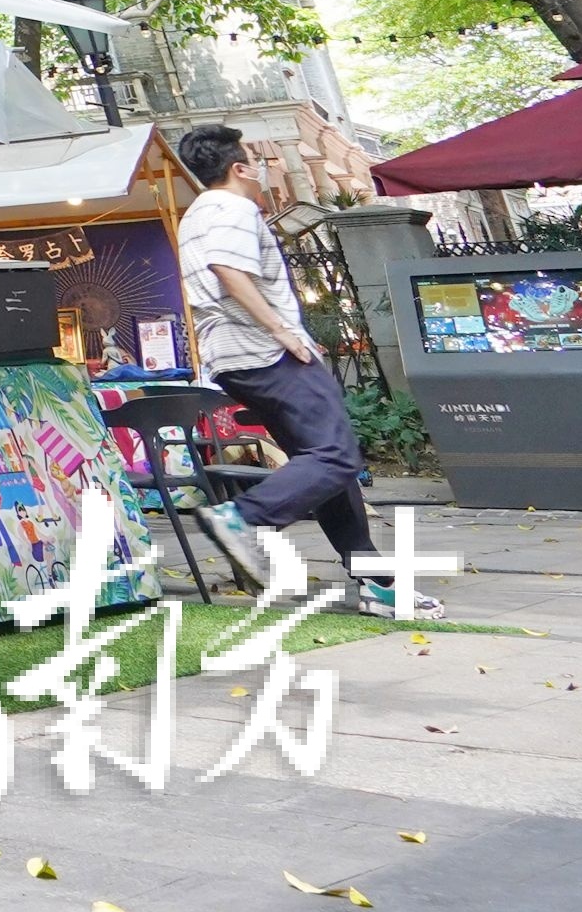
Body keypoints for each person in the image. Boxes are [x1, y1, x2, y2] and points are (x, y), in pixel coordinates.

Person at [175, 122, 411, 609]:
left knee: (324, 465)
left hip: (236, 355)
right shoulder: (231, 206)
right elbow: (227, 269)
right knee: (336, 456)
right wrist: (282, 331)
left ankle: (376, 583)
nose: (259, 168)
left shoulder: (198, 212)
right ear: (239, 167)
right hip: (264, 351)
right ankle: (240, 518)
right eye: (254, 161)